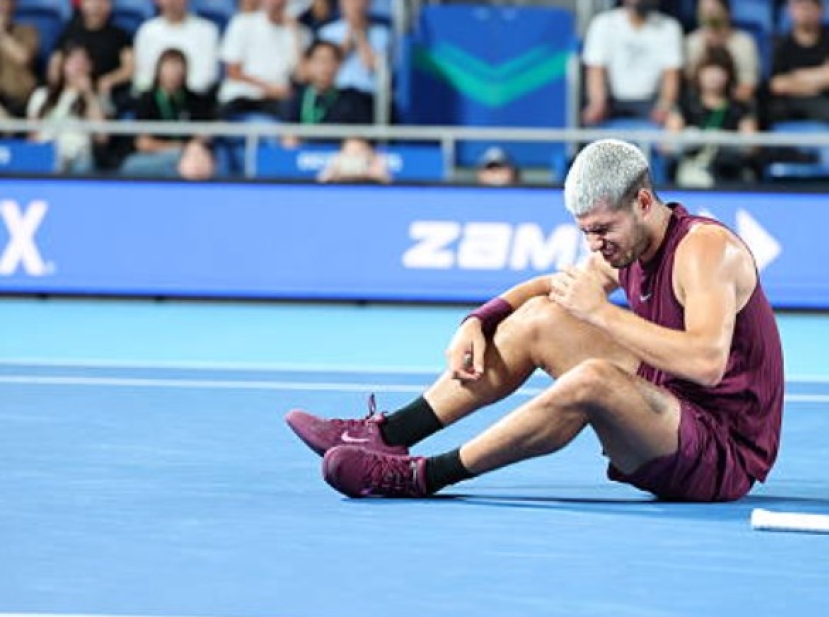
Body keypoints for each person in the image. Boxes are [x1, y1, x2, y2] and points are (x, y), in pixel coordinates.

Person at [285, 138, 785, 501]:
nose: (595, 245)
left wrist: (600, 315)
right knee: (540, 318)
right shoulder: (629, 241)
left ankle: (420, 476)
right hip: (670, 407)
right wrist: (479, 319)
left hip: (721, 453)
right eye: (585, 232)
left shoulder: (705, 249)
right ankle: (388, 435)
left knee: (594, 379)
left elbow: (706, 363)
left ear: (644, 202)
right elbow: (552, 287)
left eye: (602, 230)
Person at [581, 0, 683, 126]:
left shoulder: (669, 27)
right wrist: (598, 102)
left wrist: (665, 105)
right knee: (587, 119)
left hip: (650, 101)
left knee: (675, 123)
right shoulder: (603, 23)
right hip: (613, 100)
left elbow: (671, 74)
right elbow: (596, 70)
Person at [217, 0, 309, 119]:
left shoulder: (302, 33)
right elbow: (233, 71)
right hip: (242, 93)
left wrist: (294, 33)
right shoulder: (242, 23)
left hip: (278, 99)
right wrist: (267, 88)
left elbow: (301, 76)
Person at [663, 45, 758, 187]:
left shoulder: (740, 107)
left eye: (720, 71)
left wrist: (727, 142)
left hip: (731, 171)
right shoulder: (685, 105)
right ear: (699, 74)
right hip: (693, 168)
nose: (714, 76)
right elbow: (667, 145)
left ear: (729, 75)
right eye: (708, 70)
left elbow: (752, 145)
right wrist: (689, 139)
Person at [766, 0, 829, 126]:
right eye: (800, 6)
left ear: (822, 10)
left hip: (824, 103)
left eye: (811, 6)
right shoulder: (780, 44)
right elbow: (776, 84)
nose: (806, 11)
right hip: (787, 103)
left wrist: (795, 77)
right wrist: (818, 76)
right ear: (790, 10)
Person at [123, 48, 215, 177]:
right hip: (157, 156)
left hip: (190, 156)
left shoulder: (195, 100)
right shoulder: (146, 100)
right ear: (159, 70)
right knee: (132, 165)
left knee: (199, 163)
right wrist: (179, 148)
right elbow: (143, 143)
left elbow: (204, 134)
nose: (173, 73)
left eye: (178, 68)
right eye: (169, 68)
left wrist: (192, 149)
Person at [132, 0, 221, 98]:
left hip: (194, 97)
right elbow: (143, 74)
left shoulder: (207, 30)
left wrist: (180, 91)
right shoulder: (147, 30)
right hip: (155, 98)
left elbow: (207, 75)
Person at [26, 44, 109, 174]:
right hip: (46, 154)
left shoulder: (98, 96)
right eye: (74, 61)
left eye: (83, 62)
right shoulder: (42, 95)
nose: (79, 67)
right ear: (63, 65)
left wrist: (88, 95)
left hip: (78, 157)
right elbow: (32, 135)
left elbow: (102, 137)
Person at [684, 0, 759, 104]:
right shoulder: (692, 42)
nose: (708, 15)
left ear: (727, 12)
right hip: (698, 105)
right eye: (703, 11)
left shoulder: (744, 42)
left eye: (713, 10)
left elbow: (748, 85)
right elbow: (689, 81)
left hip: (733, 105)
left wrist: (723, 107)